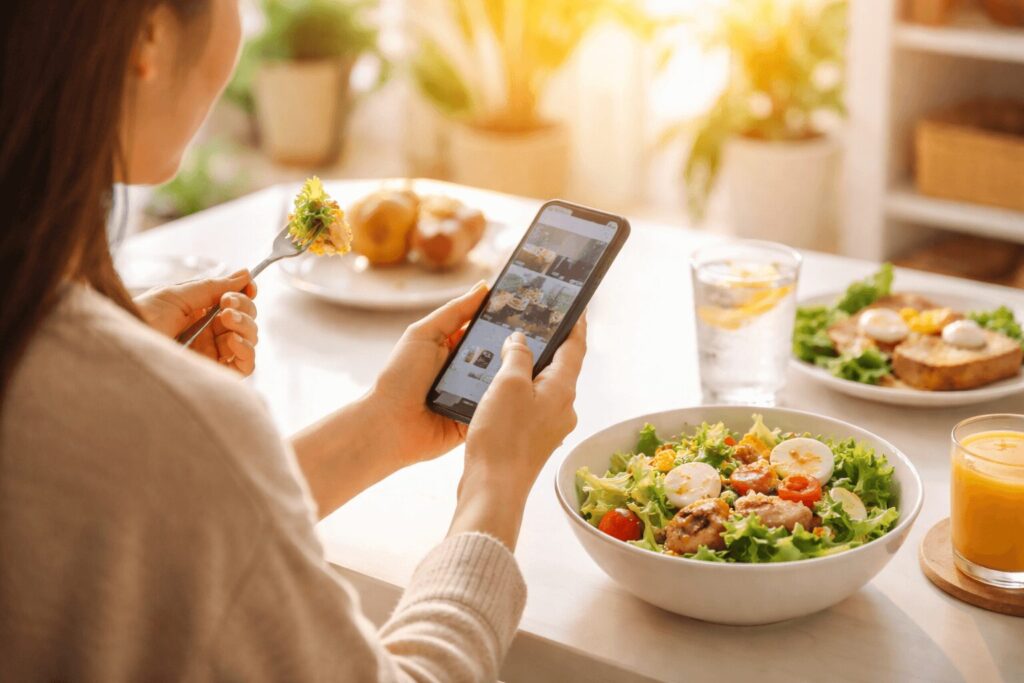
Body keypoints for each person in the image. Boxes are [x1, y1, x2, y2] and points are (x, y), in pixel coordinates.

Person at [0, 1, 586, 680]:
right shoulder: (159, 422)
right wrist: (495, 486)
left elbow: (172, 532)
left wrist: (380, 428)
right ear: (149, 33)